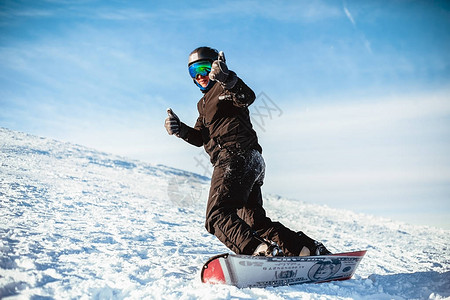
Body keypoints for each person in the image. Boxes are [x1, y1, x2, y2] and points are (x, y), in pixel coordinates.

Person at [164, 46, 331, 257]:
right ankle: (304, 249)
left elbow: (246, 97)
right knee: (255, 222)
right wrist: (180, 129)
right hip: (251, 161)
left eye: (204, 68)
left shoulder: (225, 86)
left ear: (216, 66)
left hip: (235, 157)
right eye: (193, 72)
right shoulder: (203, 105)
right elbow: (200, 137)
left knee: (216, 215)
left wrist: (228, 79)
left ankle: (258, 250)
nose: (200, 76)